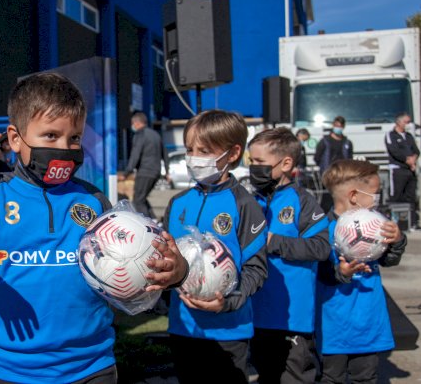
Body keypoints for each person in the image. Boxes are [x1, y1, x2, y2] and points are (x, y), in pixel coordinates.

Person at [0, 73, 189, 383]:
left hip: (93, 367)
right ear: (15, 138)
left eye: (74, 138)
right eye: (50, 136)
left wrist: (174, 273)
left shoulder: (93, 200)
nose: (64, 148)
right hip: (11, 371)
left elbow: (137, 284)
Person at [162, 110, 268, 383]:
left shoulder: (245, 205)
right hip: (183, 328)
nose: (193, 158)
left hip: (229, 331)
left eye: (204, 150)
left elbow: (257, 269)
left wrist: (228, 302)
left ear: (232, 154)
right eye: (189, 149)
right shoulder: (178, 203)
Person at [247, 128, 330, 384]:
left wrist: (275, 242)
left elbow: (320, 247)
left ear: (286, 164)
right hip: (256, 315)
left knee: (294, 377)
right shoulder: (250, 201)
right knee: (266, 375)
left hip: (293, 318)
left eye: (259, 162)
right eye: (251, 162)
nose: (253, 168)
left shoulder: (302, 202)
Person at [315, 159, 406, 384]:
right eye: (375, 193)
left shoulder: (376, 226)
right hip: (333, 325)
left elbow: (389, 261)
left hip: (369, 321)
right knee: (331, 378)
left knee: (366, 377)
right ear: (354, 195)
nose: (378, 199)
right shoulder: (321, 230)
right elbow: (318, 273)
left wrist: (398, 241)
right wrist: (340, 272)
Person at [117, 111, 167, 219]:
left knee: (137, 200)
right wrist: (167, 172)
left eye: (132, 123)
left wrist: (126, 173)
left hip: (145, 172)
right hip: (156, 172)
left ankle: (147, 223)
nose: (132, 126)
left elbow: (135, 155)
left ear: (137, 123)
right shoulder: (156, 135)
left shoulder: (140, 135)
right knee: (142, 198)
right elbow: (165, 153)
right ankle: (154, 219)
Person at [385, 111, 419, 228]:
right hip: (397, 170)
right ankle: (394, 222)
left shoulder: (409, 136)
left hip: (411, 170)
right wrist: (407, 160)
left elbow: (416, 150)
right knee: (396, 196)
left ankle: (412, 223)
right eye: (406, 122)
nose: (408, 124)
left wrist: (414, 158)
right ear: (399, 122)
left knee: (411, 196)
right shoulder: (391, 135)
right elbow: (394, 151)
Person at [314, 116, 353, 211]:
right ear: (333, 125)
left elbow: (350, 158)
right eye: (336, 126)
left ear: (343, 127)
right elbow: (317, 157)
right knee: (327, 198)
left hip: (342, 175)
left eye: (340, 126)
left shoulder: (347, 142)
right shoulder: (325, 141)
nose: (338, 128)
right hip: (328, 174)